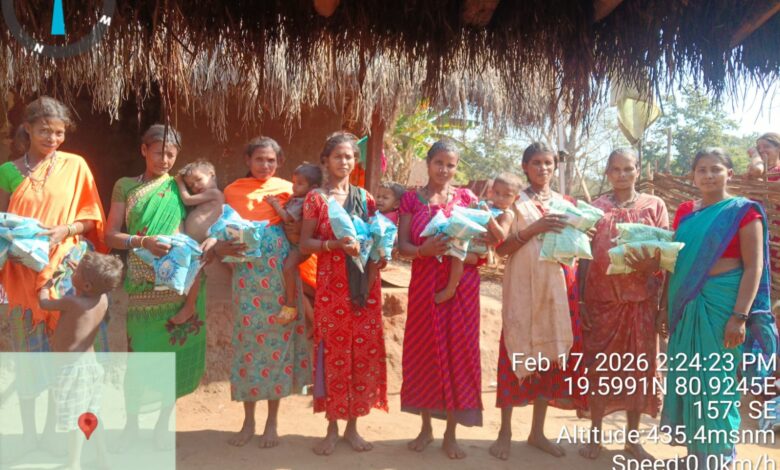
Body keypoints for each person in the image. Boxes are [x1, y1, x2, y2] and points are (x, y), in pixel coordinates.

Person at [0, 96, 106, 452]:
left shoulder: (76, 166)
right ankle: (29, 435)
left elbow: (92, 218)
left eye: (60, 133)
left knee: (65, 356)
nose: (53, 138)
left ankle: (53, 431)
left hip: (64, 272)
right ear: (27, 128)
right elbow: (2, 221)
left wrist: (66, 230)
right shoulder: (8, 172)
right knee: (28, 356)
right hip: (21, 275)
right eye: (45, 130)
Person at [660, 147, 778, 468]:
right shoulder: (686, 212)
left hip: (723, 307)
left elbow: (754, 267)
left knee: (717, 382)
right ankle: (695, 455)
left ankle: (719, 458)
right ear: (693, 176)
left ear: (730, 174)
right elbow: (675, 262)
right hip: (685, 305)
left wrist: (740, 317)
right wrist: (663, 308)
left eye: (716, 169)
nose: (709, 175)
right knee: (688, 378)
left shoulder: (744, 212)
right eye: (702, 170)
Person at [105, 124, 207, 449]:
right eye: (159, 152)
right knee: (138, 356)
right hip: (140, 281)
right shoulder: (125, 186)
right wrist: (142, 242)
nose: (165, 160)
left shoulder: (182, 186)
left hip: (177, 282)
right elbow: (110, 235)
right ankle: (132, 425)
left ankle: (163, 424)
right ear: (143, 150)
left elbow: (208, 218)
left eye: (171, 155)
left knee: (171, 357)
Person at [490, 142, 587, 461]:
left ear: (555, 166)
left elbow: (577, 246)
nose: (543, 168)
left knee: (548, 359)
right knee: (514, 353)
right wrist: (535, 229)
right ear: (525, 166)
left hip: (557, 290)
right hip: (522, 289)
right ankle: (505, 432)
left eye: (548, 163)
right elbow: (501, 250)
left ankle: (537, 432)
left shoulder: (566, 203)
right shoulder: (514, 201)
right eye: (536, 163)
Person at [215, 136, 310, 449]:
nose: (265, 165)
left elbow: (297, 230)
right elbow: (224, 229)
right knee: (248, 346)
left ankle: (272, 422)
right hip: (246, 277)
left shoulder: (288, 189)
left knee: (277, 345)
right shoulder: (232, 191)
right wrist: (225, 253)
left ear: (279, 162)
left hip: (280, 275)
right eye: (259, 159)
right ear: (248, 160)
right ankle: (248, 421)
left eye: (271, 160)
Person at [300, 132, 388, 456]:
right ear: (325, 161)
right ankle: (332, 428)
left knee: (362, 354)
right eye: (337, 156)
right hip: (331, 289)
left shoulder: (365, 198)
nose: (344, 161)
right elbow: (305, 243)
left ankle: (353, 428)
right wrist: (334, 245)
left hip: (365, 288)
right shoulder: (316, 199)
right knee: (333, 354)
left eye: (349, 156)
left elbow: (376, 238)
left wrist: (381, 255)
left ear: (356, 161)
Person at [578, 148, 668, 461]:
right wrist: (580, 299)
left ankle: (632, 439)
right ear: (607, 173)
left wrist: (652, 269)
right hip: (601, 302)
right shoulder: (595, 208)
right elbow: (584, 256)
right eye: (615, 169)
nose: (622, 175)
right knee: (600, 370)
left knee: (638, 371)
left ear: (638, 171)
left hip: (641, 303)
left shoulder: (654, 205)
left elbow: (665, 254)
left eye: (628, 169)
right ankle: (595, 436)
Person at [398, 140, 483, 459]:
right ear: (428, 163)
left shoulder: (467, 199)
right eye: (439, 163)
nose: (444, 170)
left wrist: (460, 254)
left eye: (451, 165)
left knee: (457, 355)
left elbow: (481, 248)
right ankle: (426, 428)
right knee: (425, 353)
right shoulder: (411, 199)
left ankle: (451, 434)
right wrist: (424, 250)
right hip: (424, 286)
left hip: (462, 289)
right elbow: (402, 247)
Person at [265, 163, 322, 325]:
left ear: (313, 188)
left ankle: (290, 304)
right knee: (298, 284)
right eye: (294, 182)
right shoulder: (296, 198)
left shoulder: (302, 201)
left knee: (288, 268)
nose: (294, 187)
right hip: (293, 244)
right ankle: (313, 323)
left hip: (299, 246)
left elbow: (287, 218)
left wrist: (274, 203)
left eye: (300, 183)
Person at [174, 160, 224, 323]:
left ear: (212, 175)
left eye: (198, 179)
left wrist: (179, 182)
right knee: (192, 272)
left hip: (202, 242)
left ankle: (189, 306)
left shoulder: (215, 193)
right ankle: (188, 304)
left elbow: (187, 199)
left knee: (193, 271)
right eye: (190, 184)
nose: (195, 186)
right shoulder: (205, 198)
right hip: (194, 242)